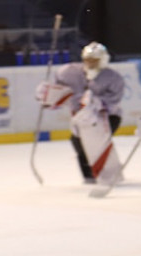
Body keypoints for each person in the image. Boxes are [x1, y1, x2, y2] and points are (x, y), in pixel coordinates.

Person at [35, 42, 124, 184]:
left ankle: (109, 173)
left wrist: (95, 103)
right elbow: (58, 91)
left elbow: (114, 101)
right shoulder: (68, 72)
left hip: (107, 117)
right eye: (87, 60)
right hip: (80, 117)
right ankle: (89, 176)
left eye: (94, 61)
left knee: (97, 141)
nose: (90, 64)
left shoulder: (114, 78)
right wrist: (46, 93)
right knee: (77, 141)